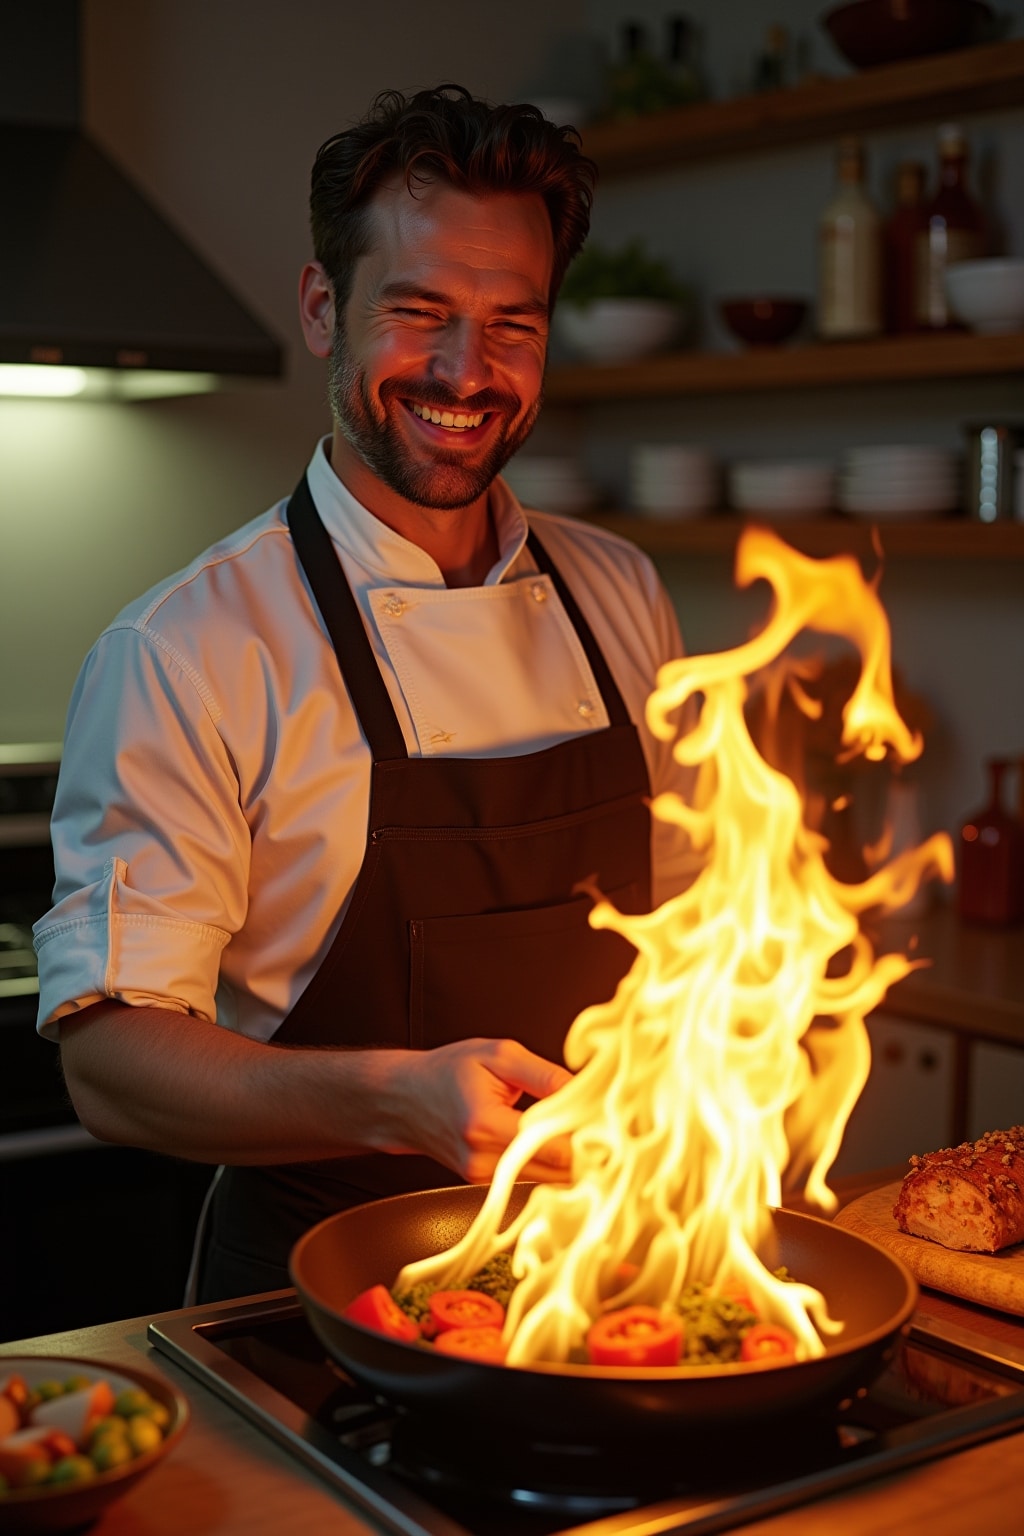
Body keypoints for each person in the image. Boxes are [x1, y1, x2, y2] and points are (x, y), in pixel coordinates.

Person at [34, 85, 693, 1303]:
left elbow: (695, 923)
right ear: (322, 306)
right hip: (311, 1307)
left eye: (512, 325)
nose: (466, 371)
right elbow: (110, 1068)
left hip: (607, 1281)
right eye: (419, 311)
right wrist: (392, 1099)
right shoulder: (188, 646)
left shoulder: (620, 591)